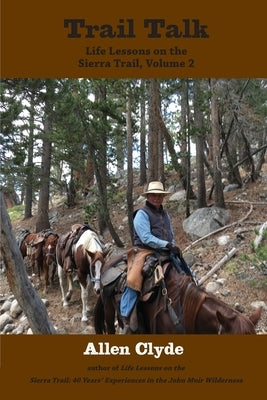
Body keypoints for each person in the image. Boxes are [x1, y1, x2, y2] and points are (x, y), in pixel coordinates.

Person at [120, 181, 182, 333]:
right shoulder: (141, 214)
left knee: (185, 272)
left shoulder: (165, 214)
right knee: (134, 280)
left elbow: (170, 233)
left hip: (164, 251)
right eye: (153, 195)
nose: (157, 197)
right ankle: (126, 318)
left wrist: (171, 245)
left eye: (160, 195)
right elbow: (146, 237)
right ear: (148, 196)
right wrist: (166, 244)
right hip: (144, 251)